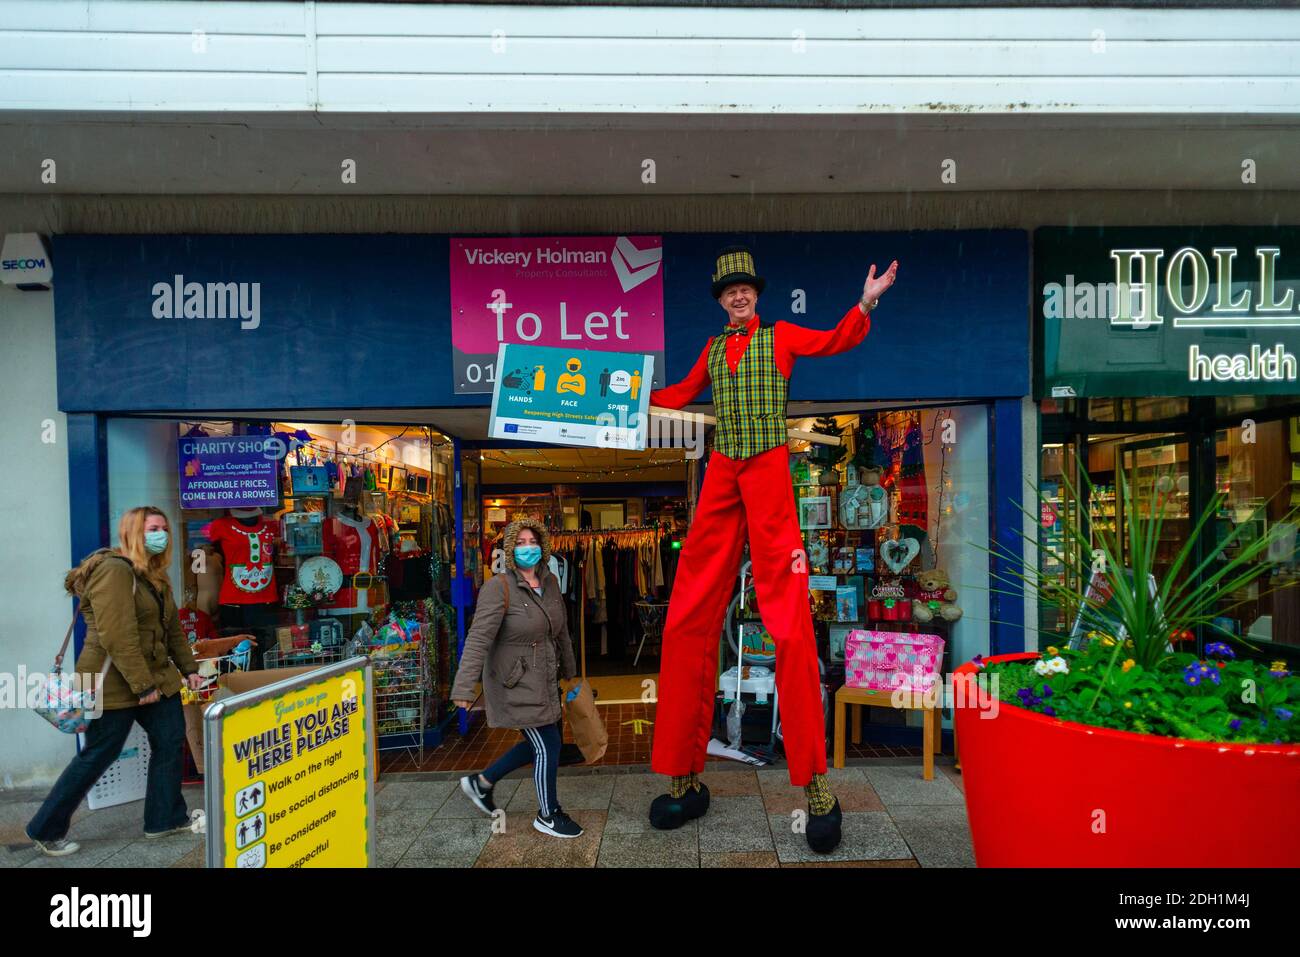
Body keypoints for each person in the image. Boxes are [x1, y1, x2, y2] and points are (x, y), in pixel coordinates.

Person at [646, 245, 898, 853]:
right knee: (686, 616)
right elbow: (678, 393)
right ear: (721, 300)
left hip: (767, 475)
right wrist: (622, 398)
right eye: (728, 291)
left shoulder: (780, 336)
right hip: (722, 476)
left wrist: (863, 303)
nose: (738, 296)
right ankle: (684, 773)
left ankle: (816, 786)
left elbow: (834, 341)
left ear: (756, 295)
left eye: (745, 289)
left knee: (788, 626)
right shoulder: (712, 350)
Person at [26, 506, 205, 856]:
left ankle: (164, 820)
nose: (162, 534)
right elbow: (117, 635)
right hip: (112, 682)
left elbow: (171, 631)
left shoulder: (153, 574)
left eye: (164, 528)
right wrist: (143, 686)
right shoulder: (114, 571)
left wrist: (189, 668)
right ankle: (44, 828)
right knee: (99, 752)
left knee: (169, 742)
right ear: (133, 532)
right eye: (154, 528)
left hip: (153, 676)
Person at [451, 519, 583, 838]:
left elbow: (561, 630)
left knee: (538, 742)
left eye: (533, 541)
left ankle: (481, 783)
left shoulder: (550, 581)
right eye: (521, 542)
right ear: (511, 549)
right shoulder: (499, 587)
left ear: (543, 546)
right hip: (515, 682)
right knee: (548, 743)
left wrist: (571, 673)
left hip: (545, 680)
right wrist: (464, 686)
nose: (528, 547)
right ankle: (548, 814)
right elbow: (479, 637)